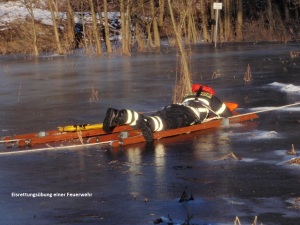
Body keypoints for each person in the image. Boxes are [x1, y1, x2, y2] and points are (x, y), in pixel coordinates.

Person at [103, 84, 232, 142]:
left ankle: (119, 115)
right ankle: (148, 125)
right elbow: (225, 113)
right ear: (210, 92)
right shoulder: (210, 98)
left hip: (173, 106)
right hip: (190, 113)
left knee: (159, 116)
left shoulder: (188, 95)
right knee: (169, 122)